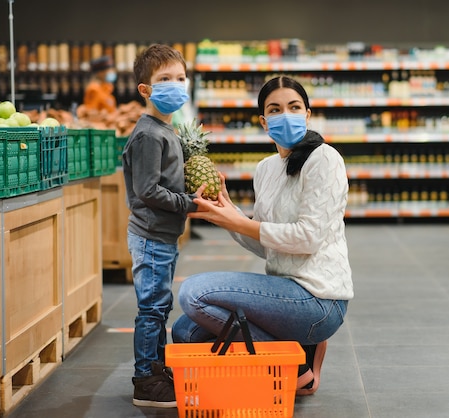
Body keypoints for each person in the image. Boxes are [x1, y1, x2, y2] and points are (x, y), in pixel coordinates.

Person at [171, 75, 354, 396]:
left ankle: (297, 361)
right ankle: (297, 347)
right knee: (185, 332)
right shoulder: (266, 169)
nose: (285, 114)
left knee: (193, 295)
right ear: (263, 121)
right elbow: (265, 245)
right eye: (275, 109)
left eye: (294, 107)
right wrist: (226, 215)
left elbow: (308, 238)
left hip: (318, 298)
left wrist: (239, 222)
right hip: (283, 290)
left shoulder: (324, 159)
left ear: (307, 114)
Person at [121, 43, 204, 408]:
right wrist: (188, 203)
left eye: (180, 78)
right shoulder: (149, 134)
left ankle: (158, 366)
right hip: (151, 236)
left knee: (159, 305)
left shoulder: (167, 129)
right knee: (152, 308)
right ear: (146, 89)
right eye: (165, 79)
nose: (176, 85)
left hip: (163, 236)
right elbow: (147, 190)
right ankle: (144, 379)